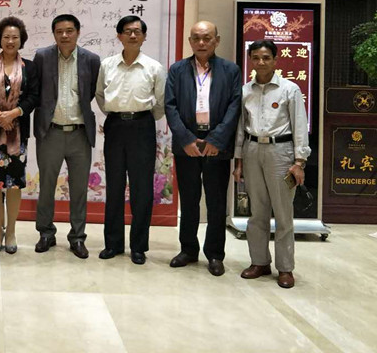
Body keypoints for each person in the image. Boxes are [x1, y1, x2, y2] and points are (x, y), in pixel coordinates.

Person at [164, 20, 241, 276]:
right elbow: (170, 106)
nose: (201, 43)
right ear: (190, 41)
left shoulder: (230, 70)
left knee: (216, 202)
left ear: (216, 41)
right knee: (189, 200)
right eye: (196, 38)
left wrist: (217, 140)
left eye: (207, 38)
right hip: (187, 143)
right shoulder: (177, 69)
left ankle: (215, 254)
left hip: (216, 144)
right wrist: (185, 139)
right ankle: (188, 249)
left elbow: (234, 106)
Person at [233, 39, 310, 289]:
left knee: (283, 212)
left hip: (281, 152)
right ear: (250, 61)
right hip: (252, 150)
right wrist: (239, 161)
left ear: (275, 60)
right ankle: (259, 262)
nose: (261, 62)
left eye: (266, 57)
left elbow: (300, 126)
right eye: (256, 58)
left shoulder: (289, 89)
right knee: (258, 212)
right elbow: (240, 128)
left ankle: (285, 268)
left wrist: (299, 161)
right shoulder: (245, 91)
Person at [95, 15, 166, 265]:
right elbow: (100, 95)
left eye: (137, 31)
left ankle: (138, 246)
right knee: (114, 186)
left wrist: (141, 118)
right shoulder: (107, 65)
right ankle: (113, 244)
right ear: (119, 36)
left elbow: (161, 102)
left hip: (142, 126)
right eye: (127, 31)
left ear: (144, 36)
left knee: (141, 189)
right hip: (115, 125)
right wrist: (116, 114)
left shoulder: (154, 67)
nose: (132, 35)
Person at [32, 14, 100, 259]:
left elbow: (90, 93)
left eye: (69, 31)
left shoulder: (91, 60)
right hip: (50, 132)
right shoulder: (42, 57)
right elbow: (36, 90)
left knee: (79, 189)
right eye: (59, 31)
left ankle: (77, 237)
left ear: (78, 32)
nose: (64, 35)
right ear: (54, 34)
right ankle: (46, 233)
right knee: (46, 186)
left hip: (80, 134)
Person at [0, 17, 40, 254]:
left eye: (15, 37)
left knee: (13, 186)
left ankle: (11, 231)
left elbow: (34, 96)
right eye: (6, 37)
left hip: (17, 133)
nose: (10, 41)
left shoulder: (29, 67)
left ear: (21, 40)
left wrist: (13, 113)